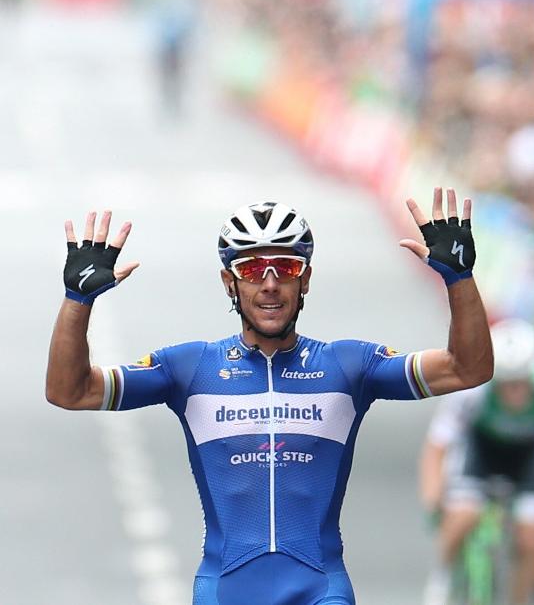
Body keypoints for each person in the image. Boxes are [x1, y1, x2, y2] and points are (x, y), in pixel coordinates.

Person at [46, 188, 494, 605]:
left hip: (321, 588)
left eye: (288, 268)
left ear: (307, 280)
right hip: (226, 588)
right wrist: (77, 302)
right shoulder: (187, 369)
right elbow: (70, 390)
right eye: (253, 269)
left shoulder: (351, 367)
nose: (271, 283)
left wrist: (460, 280)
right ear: (229, 282)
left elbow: (466, 367)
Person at [419, 318, 534, 605]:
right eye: (507, 385)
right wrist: (434, 495)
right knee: (463, 514)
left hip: (528, 457)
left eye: (522, 384)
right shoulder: (473, 389)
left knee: (532, 536)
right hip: (481, 452)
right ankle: (443, 576)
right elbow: (437, 447)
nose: (515, 393)